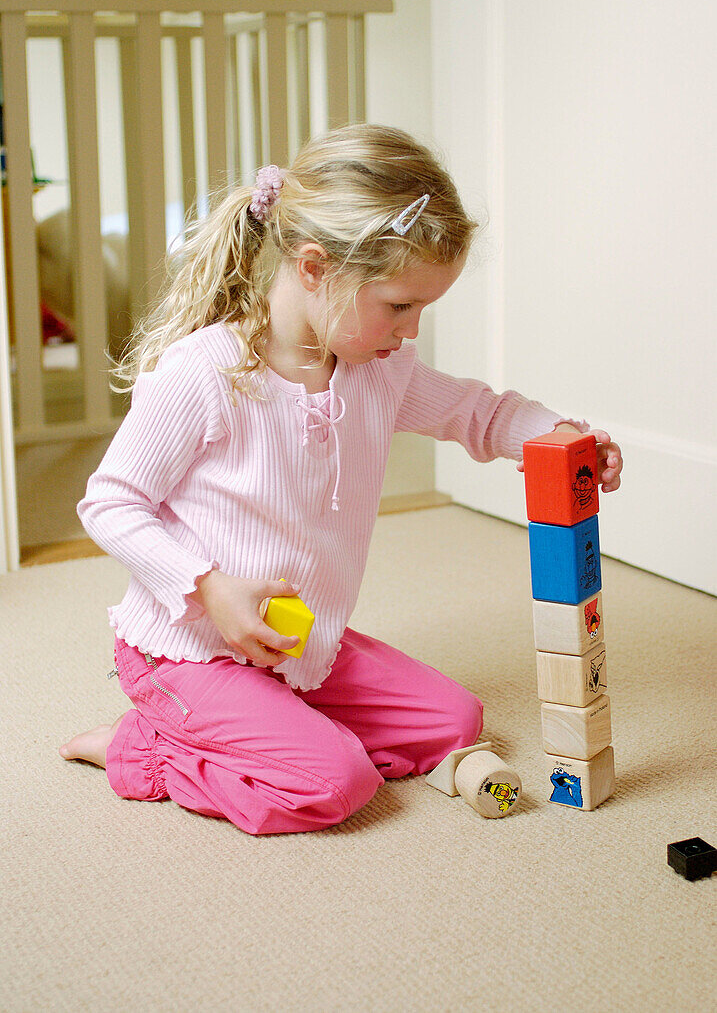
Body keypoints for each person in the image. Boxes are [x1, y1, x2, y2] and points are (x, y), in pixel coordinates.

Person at [59, 124, 623, 835]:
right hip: (191, 646)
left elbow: (478, 414)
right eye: (398, 305)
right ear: (316, 267)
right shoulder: (204, 373)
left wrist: (565, 437)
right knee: (332, 783)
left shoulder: (378, 372)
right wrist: (207, 585)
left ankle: (273, 720)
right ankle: (142, 747)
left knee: (457, 718)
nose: (410, 330)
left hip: (297, 640)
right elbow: (111, 501)